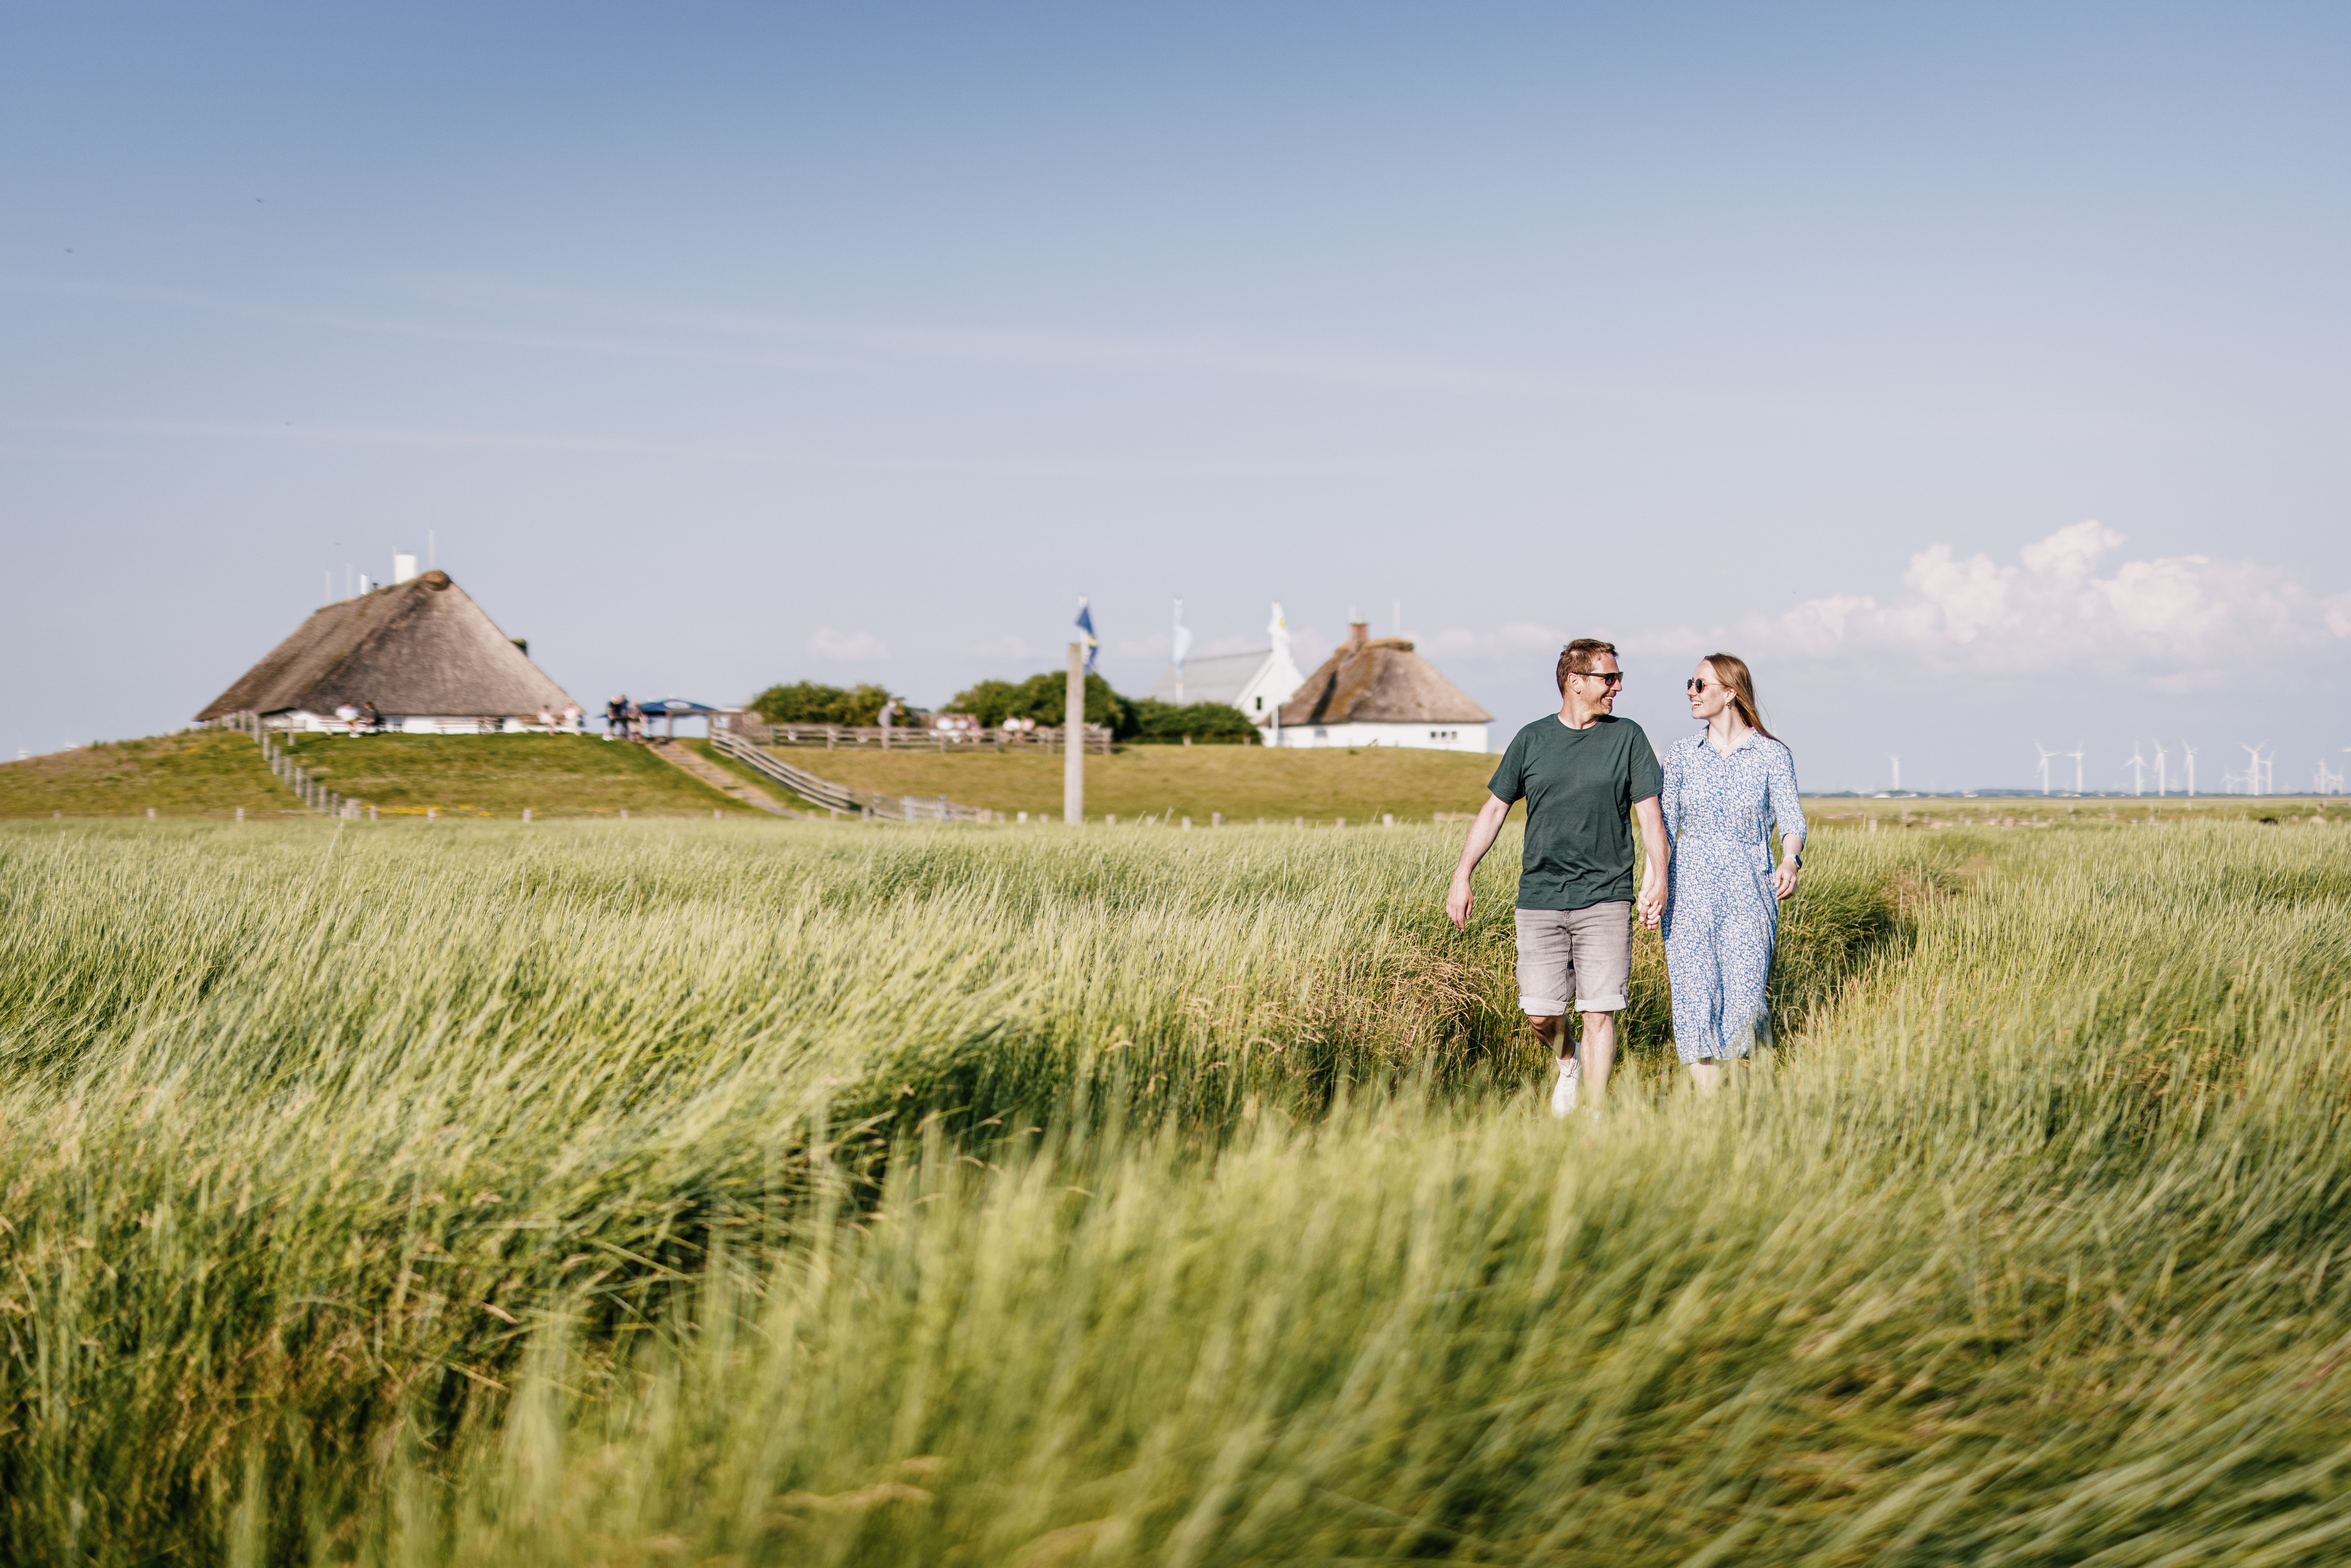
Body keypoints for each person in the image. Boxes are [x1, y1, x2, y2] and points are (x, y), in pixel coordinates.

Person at [1447, 639, 1669, 1117]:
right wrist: (1462, 875)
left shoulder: (1627, 737)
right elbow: (1493, 810)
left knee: (1599, 1011)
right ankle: (1566, 1060)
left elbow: (1651, 815)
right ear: (1575, 681)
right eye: (1608, 678)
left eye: (1617, 677)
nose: (1618, 686)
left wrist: (1659, 876)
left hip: (1605, 896)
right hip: (1540, 897)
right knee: (1540, 1014)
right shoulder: (1531, 740)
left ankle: (1592, 1117)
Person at [1660, 654, 1807, 1096]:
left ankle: (1745, 1092)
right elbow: (1662, 828)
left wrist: (1789, 860)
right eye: (1690, 683)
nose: (1690, 691)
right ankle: (1710, 1113)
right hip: (1688, 890)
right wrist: (1655, 883)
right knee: (1693, 997)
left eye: (1700, 684)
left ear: (1729, 692)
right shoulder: (1682, 754)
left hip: (1750, 890)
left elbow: (1793, 821)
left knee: (1744, 1003)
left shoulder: (1771, 754)